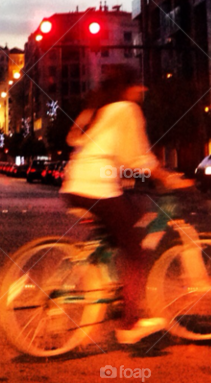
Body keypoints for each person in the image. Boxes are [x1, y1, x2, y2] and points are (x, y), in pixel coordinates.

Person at [61, 68, 193, 345]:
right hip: (97, 187)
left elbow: (73, 139)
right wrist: (167, 177)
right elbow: (138, 157)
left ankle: (114, 288)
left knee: (131, 217)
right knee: (135, 249)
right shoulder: (126, 109)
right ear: (127, 88)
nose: (142, 91)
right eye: (138, 85)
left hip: (75, 184)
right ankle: (130, 324)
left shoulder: (97, 108)